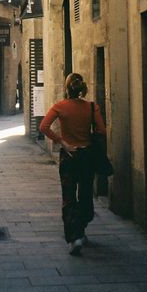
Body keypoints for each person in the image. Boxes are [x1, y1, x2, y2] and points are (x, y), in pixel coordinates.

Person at [39, 72, 106, 255]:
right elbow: (101, 130)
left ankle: (74, 237)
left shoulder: (60, 106)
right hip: (87, 157)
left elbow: (43, 126)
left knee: (68, 197)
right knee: (85, 194)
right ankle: (81, 230)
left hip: (69, 157)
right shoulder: (92, 107)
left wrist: (62, 141)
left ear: (67, 88)